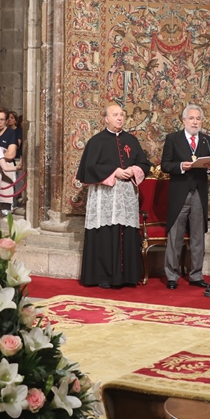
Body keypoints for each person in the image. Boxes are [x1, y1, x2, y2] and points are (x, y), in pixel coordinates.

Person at [75, 104, 150, 288]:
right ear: (106, 119)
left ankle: (127, 277)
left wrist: (133, 169)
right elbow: (88, 168)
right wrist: (114, 172)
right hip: (104, 197)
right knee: (106, 233)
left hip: (126, 198)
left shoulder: (131, 141)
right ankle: (103, 277)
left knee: (125, 232)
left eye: (121, 115)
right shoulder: (96, 141)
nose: (119, 118)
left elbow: (144, 164)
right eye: (115, 115)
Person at [160, 104, 210, 289]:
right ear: (184, 120)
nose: (195, 122)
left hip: (199, 194)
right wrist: (180, 167)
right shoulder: (173, 139)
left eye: (198, 119)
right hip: (179, 193)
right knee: (175, 235)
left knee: (197, 236)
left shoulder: (207, 141)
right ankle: (172, 275)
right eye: (191, 118)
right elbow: (165, 165)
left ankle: (196, 275)